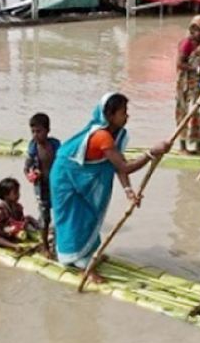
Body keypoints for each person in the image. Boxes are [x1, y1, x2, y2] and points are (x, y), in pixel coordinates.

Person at [50, 93, 171, 283]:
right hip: (66, 177)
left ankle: (86, 255)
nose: (127, 116)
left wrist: (128, 191)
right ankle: (79, 264)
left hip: (80, 176)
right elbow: (125, 167)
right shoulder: (102, 136)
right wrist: (150, 153)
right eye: (123, 112)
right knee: (75, 217)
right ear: (110, 115)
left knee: (89, 215)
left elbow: (117, 165)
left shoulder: (117, 134)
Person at [24, 112, 61, 258]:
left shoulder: (55, 145)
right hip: (42, 187)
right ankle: (45, 247)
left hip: (57, 186)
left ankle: (58, 246)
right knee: (45, 218)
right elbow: (26, 169)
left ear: (47, 130)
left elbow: (64, 163)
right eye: (33, 131)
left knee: (59, 216)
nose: (35, 135)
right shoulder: (33, 148)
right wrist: (32, 175)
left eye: (39, 131)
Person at [176, 15, 200, 154]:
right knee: (185, 112)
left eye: (198, 30)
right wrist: (195, 68)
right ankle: (183, 147)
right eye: (193, 30)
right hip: (186, 83)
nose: (195, 33)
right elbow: (180, 63)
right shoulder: (187, 43)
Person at [0, 177, 40, 250]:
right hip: (3, 232)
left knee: (29, 218)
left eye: (18, 192)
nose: (18, 195)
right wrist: (5, 230)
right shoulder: (0, 210)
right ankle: (13, 246)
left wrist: (21, 225)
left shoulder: (18, 207)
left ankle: (40, 231)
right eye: (15, 193)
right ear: (6, 195)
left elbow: (21, 220)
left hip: (14, 231)